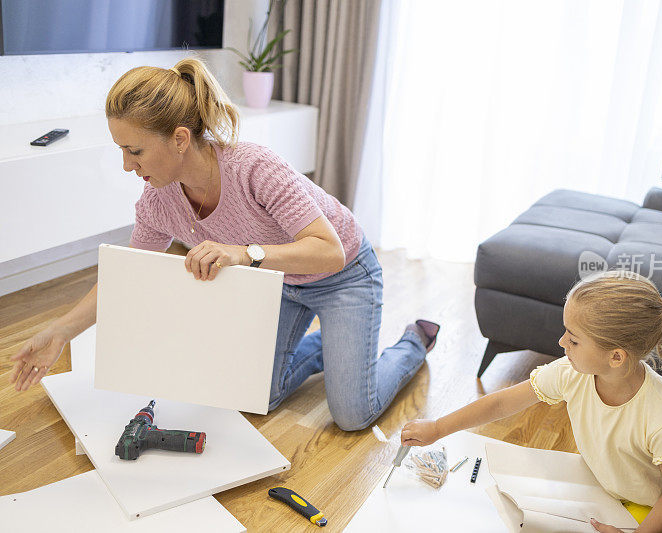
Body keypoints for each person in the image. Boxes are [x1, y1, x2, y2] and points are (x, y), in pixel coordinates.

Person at [9, 57, 440, 432]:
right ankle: (334, 347)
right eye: (122, 150)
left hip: (343, 276)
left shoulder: (254, 168)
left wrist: (243, 253)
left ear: (179, 139)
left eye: (135, 151)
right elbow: (126, 276)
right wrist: (60, 331)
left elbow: (329, 251)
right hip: (279, 283)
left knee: (351, 414)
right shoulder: (158, 201)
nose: (126, 166)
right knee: (254, 398)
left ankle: (412, 342)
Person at [402, 270, 662, 533]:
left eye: (573, 339)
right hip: (611, 487)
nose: (562, 343)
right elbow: (500, 404)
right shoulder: (572, 372)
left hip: (656, 506)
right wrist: (437, 428)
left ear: (616, 357)